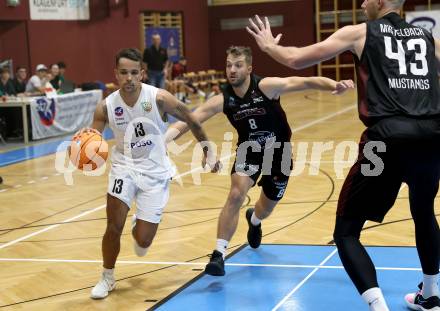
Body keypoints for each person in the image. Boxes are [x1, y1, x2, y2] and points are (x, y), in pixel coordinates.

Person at [247, 0, 440, 310]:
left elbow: (296, 58)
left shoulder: (360, 33)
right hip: (431, 137)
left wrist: (269, 46)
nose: (362, 3)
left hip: (386, 141)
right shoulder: (426, 37)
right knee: (423, 211)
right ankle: (430, 294)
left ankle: (379, 307)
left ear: (379, 2)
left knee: (346, 232)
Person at [166, 46, 353, 276]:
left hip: (279, 153)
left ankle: (254, 219)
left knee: (265, 209)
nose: (232, 70)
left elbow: (305, 81)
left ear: (249, 68)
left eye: (238, 65)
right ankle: (218, 255)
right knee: (236, 194)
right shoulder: (224, 99)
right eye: (228, 65)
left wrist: (335, 85)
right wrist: (164, 140)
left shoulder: (266, 87)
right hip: (249, 151)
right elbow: (190, 119)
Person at [84, 48, 220, 299]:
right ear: (115, 74)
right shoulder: (105, 106)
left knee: (143, 243)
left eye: (134, 73)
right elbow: (93, 140)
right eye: (123, 72)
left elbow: (191, 118)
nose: (129, 78)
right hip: (123, 168)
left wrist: (207, 149)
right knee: (113, 226)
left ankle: (140, 225)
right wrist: (85, 151)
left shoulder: (159, 98)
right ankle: (107, 276)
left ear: (142, 74)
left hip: (155, 172)